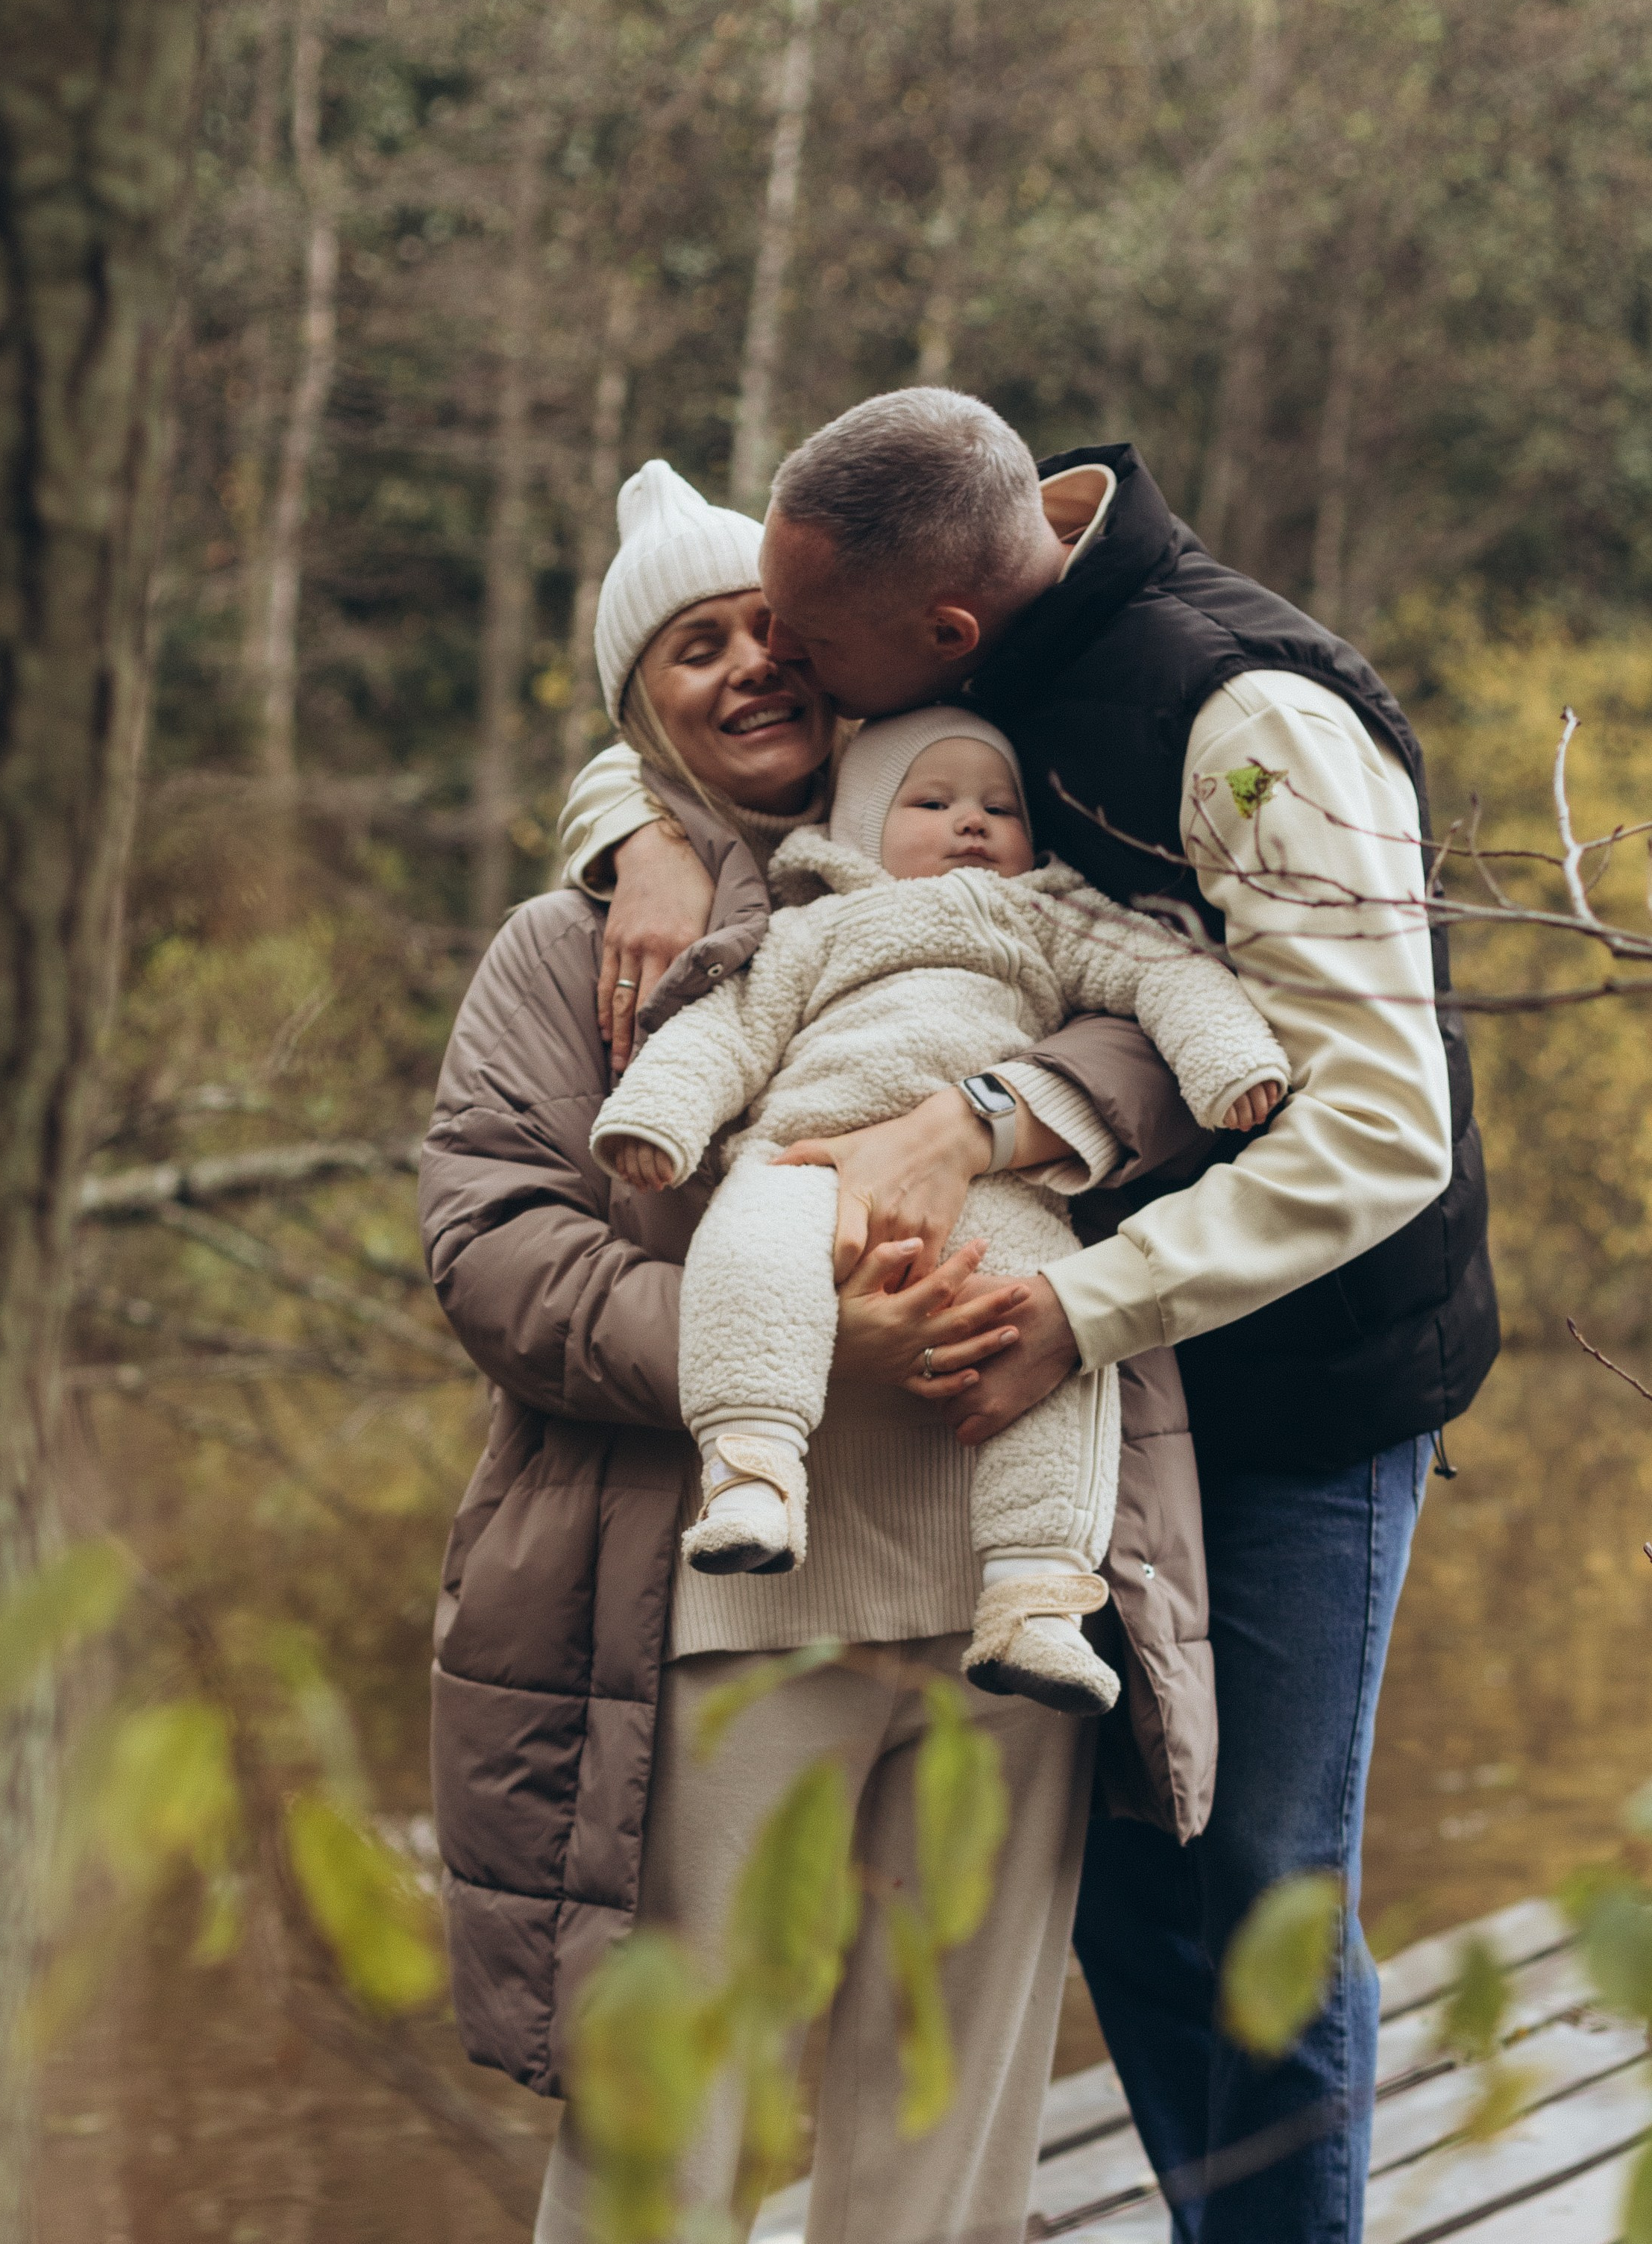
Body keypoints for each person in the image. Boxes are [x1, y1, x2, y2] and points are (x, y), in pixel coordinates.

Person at [556, 392, 1499, 2244]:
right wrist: (632, 836)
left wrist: (1061, 1267)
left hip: (1291, 1375)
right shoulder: (929, 538)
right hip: (1101, 1374)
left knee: (1255, 1898)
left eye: (814, 654)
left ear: (941, 643)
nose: (791, 680)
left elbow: (1378, 1128)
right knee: (1121, 1894)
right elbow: (682, 693)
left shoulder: (1249, 726)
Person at [421, 457, 1221, 2244]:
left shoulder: (1007, 865)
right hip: (711, 1620)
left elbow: (1175, 1031)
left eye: (772, 631)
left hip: (1006, 1604)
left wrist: (1003, 1112)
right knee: (664, 2148)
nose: (749, 669)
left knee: (944, 2149)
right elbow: (490, 1251)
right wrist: (784, 1342)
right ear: (639, 719)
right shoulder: (573, 950)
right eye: (693, 651)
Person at [594, 703, 1286, 1715]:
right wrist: (658, 1116)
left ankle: (1036, 1591)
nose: (972, 821)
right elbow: (727, 1029)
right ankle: (751, 1466)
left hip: (995, 1184)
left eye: (996, 806)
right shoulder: (810, 928)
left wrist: (1232, 1063)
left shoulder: (1049, 915)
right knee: (741, 1254)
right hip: (808, 1154)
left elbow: (1165, 972)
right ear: (861, 825)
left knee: (1044, 1327)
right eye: (934, 800)